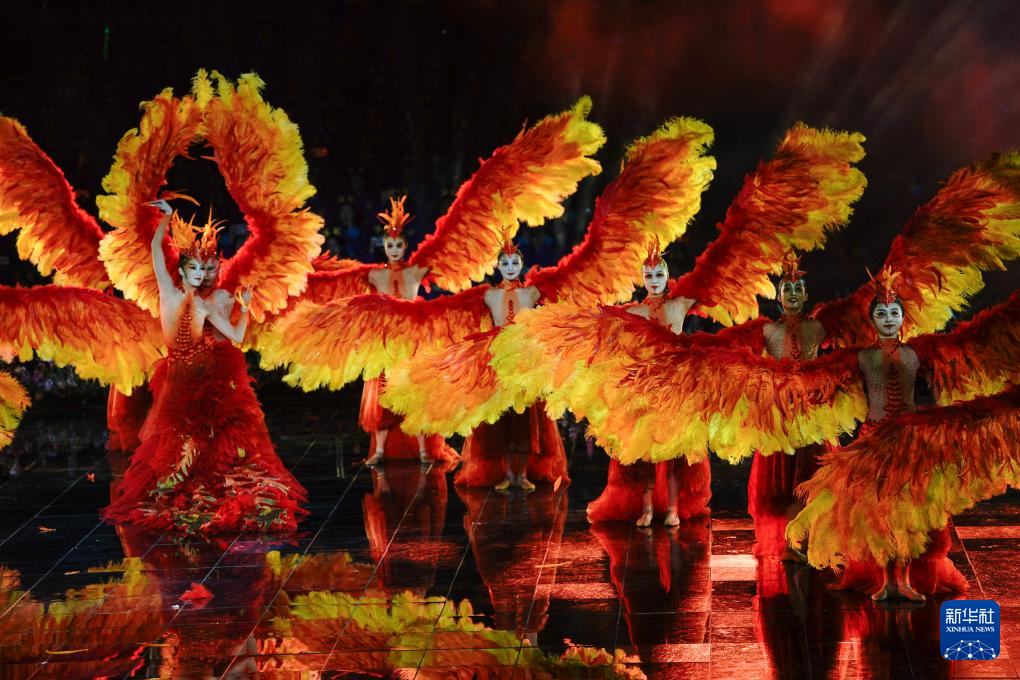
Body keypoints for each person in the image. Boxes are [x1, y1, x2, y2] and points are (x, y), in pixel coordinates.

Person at [102, 199, 307, 533]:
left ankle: (207, 489)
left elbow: (236, 336)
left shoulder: (206, 306)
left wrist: (245, 308)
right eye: (194, 269)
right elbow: (155, 250)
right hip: (176, 381)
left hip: (202, 381)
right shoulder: (167, 293)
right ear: (182, 270)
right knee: (173, 446)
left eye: (204, 270)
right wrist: (166, 219)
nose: (199, 275)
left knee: (202, 444)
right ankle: (178, 491)